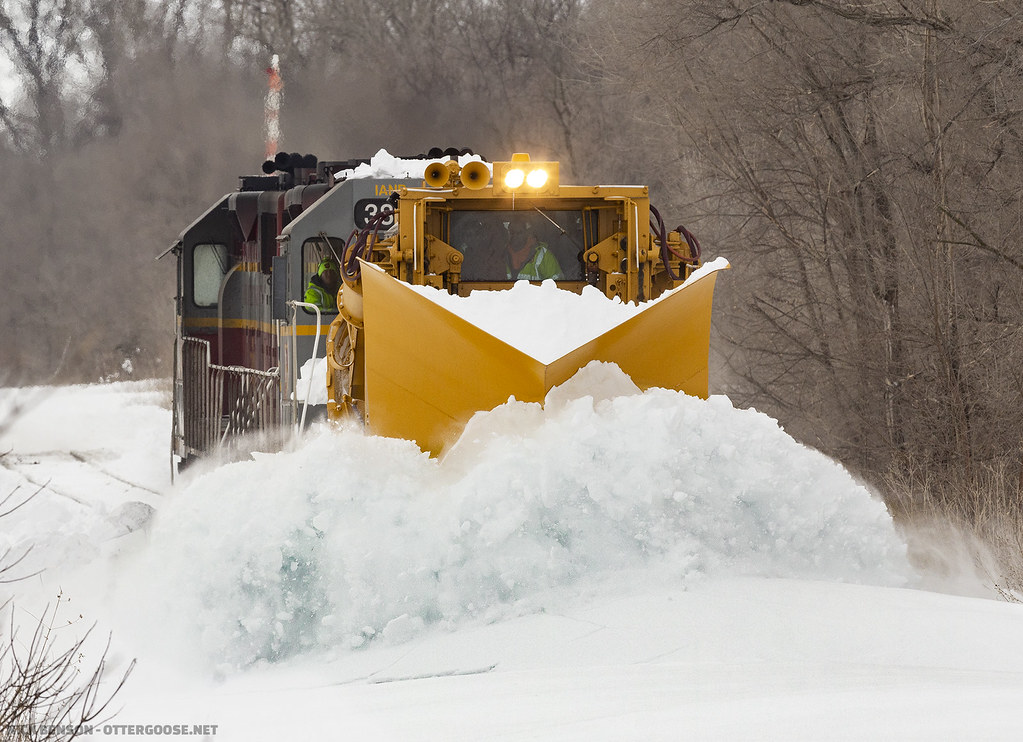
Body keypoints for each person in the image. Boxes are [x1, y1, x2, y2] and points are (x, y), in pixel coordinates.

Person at [503, 216, 564, 281]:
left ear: (527, 233)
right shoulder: (501, 254)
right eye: (512, 232)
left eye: (519, 232)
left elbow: (558, 284)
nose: (515, 236)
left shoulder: (543, 255)